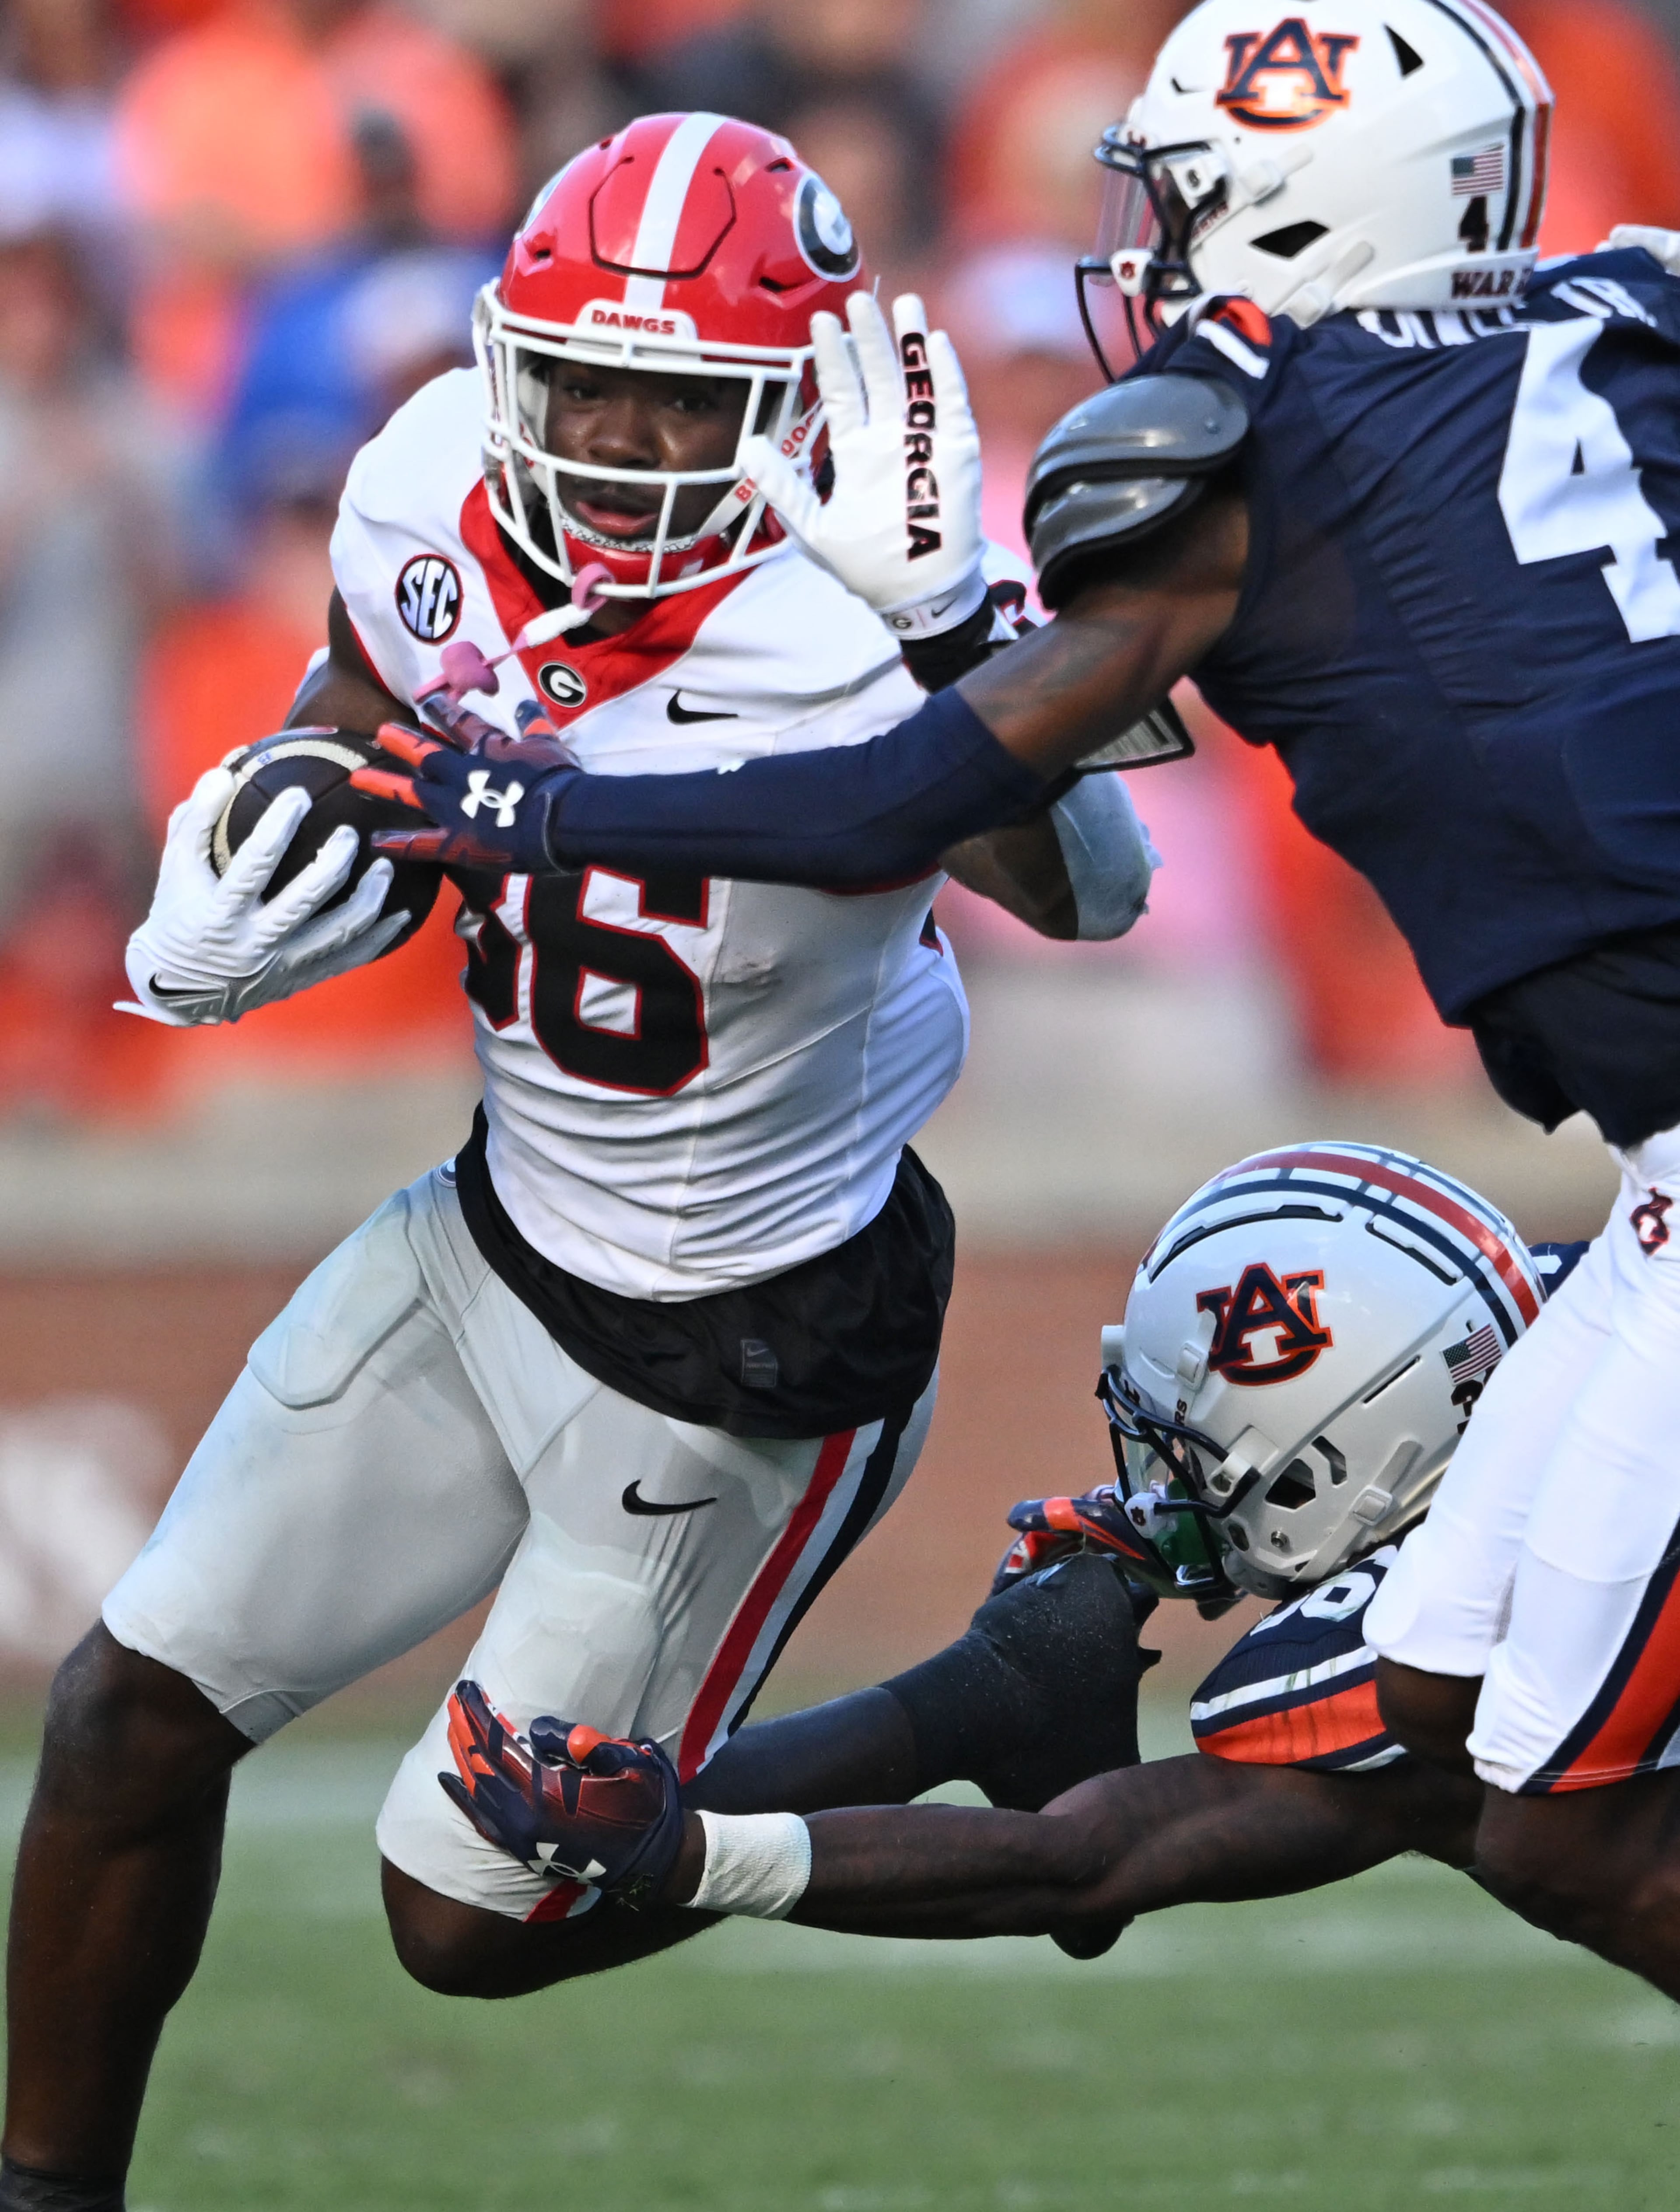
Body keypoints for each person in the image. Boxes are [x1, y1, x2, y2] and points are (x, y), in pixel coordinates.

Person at [359, 1, 1680, 2004]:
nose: (1150, 255)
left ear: (1296, 218)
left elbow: (917, 796)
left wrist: (529, 803)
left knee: (1563, 1806)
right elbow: (1100, 1850)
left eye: (1188, 204)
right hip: (1659, 1162)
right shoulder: (1633, 308)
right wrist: (702, 1841)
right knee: (1443, 1697)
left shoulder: (1249, 443)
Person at [0, 112, 1162, 2212]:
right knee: (121, 1721)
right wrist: (276, 818)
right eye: (581, 383)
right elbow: (365, 695)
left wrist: (948, 634)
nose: (615, 442)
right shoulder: (431, 471)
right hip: (492, 1234)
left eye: (677, 399)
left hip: (746, 1342)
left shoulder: (868, 586)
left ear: (793, 402)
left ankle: (992, 1690)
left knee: (472, 1914)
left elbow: (1085, 884)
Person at [427, 1144, 1595, 1960]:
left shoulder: (1429, 1647)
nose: (1156, 1489)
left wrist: (686, 1855)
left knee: (1499, 1819)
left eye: (1191, 1454)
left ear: (1331, 1467)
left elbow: (1082, 1865)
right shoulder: (1576, 1338)